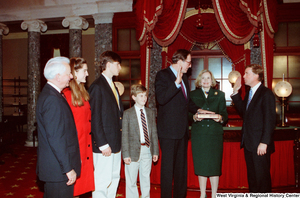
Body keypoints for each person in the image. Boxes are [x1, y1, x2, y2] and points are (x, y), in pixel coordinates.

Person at [155, 49, 213, 198]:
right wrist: (176, 83)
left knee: (181, 169)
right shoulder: (162, 75)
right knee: (168, 170)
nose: (190, 65)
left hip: (182, 131)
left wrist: (200, 110)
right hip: (168, 132)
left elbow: (186, 103)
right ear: (180, 61)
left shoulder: (185, 78)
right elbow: (161, 99)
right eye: (188, 62)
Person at [36, 57, 81, 198]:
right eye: (68, 73)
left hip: (56, 168)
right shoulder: (52, 99)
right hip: (58, 170)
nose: (71, 76)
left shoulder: (52, 95)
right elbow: (56, 138)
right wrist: (67, 169)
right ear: (58, 76)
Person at [231, 64, 276, 192]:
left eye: (246, 73)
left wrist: (264, 142)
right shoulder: (250, 93)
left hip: (260, 145)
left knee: (262, 179)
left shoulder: (266, 94)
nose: (243, 76)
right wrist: (235, 92)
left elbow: (270, 120)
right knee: (252, 178)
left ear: (257, 75)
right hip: (249, 143)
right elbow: (244, 113)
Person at [89, 51, 124, 198]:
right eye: (118, 64)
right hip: (104, 145)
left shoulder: (112, 86)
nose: (120, 68)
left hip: (115, 143)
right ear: (108, 65)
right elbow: (94, 118)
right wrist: (102, 144)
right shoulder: (97, 86)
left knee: (114, 179)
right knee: (102, 182)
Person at [190, 69, 228, 198]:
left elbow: (224, 114)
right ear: (199, 81)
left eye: (208, 78)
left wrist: (220, 118)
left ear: (212, 81)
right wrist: (194, 117)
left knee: (214, 166)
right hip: (199, 135)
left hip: (214, 135)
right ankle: (202, 194)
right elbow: (188, 114)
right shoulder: (192, 94)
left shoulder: (220, 94)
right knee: (201, 165)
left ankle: (214, 194)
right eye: (203, 78)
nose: (206, 81)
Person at [62, 57, 95, 197]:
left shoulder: (83, 93)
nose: (87, 74)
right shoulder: (66, 95)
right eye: (84, 71)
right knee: (74, 190)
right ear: (74, 73)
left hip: (86, 148)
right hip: (76, 149)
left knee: (85, 190)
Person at [122, 84, 159, 198]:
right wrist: (126, 154)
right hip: (132, 152)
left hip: (147, 149)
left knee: (145, 178)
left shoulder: (150, 113)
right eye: (140, 96)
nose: (144, 98)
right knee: (131, 180)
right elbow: (125, 135)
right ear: (134, 97)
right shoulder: (127, 113)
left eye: (145, 95)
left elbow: (154, 133)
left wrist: (155, 151)